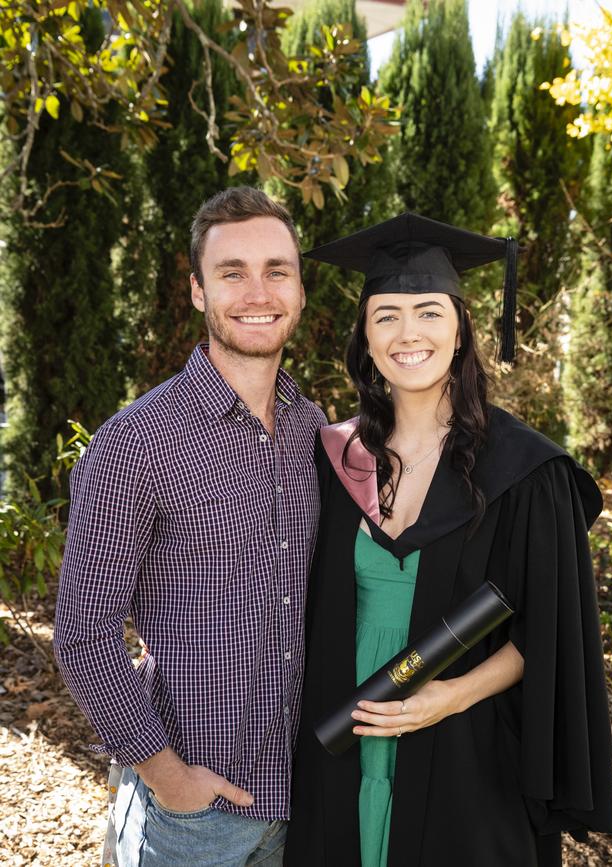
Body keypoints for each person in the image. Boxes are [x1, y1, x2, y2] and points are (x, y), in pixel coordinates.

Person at [284, 213, 612, 867]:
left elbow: (549, 636)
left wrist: (449, 695)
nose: (409, 333)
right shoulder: (331, 457)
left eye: (429, 312)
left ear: (460, 328)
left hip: (466, 755)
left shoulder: (524, 471)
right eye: (387, 316)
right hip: (342, 741)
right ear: (366, 339)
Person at [53, 186, 326, 867]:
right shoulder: (136, 444)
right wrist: (167, 777)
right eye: (232, 272)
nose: (257, 291)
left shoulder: (313, 429)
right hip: (196, 820)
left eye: (277, 270)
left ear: (299, 287)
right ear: (199, 291)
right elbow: (85, 634)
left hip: (311, 796)